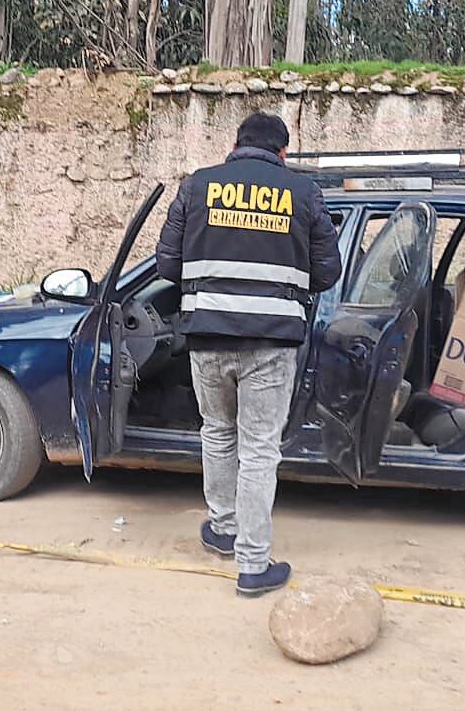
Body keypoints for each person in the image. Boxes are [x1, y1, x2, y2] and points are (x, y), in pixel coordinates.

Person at [155, 112, 341, 596]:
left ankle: (223, 528)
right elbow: (327, 273)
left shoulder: (198, 186)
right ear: (283, 152)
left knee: (217, 433)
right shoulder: (302, 193)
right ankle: (254, 564)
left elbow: (167, 265)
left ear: (235, 144)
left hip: (208, 337)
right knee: (259, 449)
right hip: (271, 343)